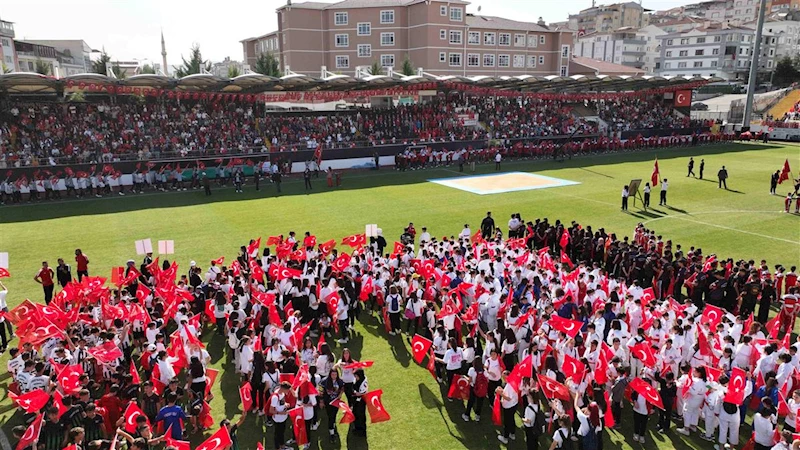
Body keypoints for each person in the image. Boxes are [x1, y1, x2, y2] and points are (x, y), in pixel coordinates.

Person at [495, 370, 519, 444]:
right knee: (511, 420)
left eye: (504, 377)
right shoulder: (513, 382)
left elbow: (508, 398)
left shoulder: (509, 385)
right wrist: (502, 391)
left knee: (507, 422)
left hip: (509, 406)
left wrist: (499, 393)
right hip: (514, 404)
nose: (503, 379)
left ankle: (505, 438)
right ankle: (512, 434)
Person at [352, 368, 368, 437]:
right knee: (355, 414)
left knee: (360, 416)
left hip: (361, 402)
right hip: (357, 401)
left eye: (356, 376)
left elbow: (360, 394)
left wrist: (355, 393)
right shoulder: (360, 380)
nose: (355, 377)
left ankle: (361, 431)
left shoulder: (363, 384)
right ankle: (357, 428)